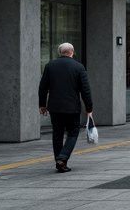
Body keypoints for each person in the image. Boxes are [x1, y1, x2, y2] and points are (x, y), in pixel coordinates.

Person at [38, 42, 93, 173]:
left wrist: (42, 104)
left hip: (55, 107)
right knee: (73, 132)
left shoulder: (50, 66)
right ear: (72, 52)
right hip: (72, 106)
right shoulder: (78, 67)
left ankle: (59, 161)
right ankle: (62, 158)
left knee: (57, 133)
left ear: (60, 52)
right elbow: (85, 90)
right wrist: (89, 108)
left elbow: (43, 87)